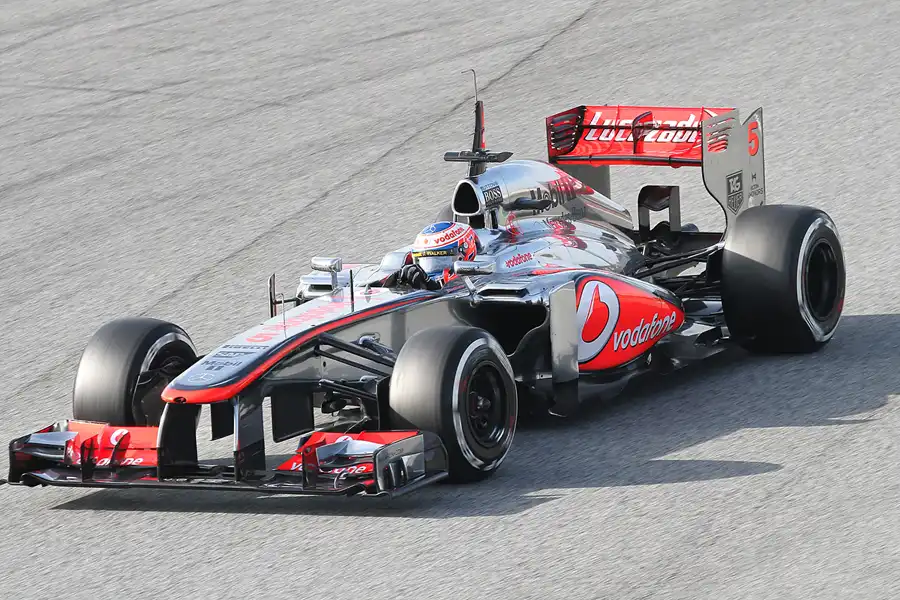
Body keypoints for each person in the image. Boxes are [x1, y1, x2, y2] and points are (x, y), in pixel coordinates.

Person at [382, 221, 481, 290]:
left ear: (463, 255)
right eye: (424, 262)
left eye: (439, 262)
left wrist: (432, 286)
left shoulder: (483, 281)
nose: (430, 270)